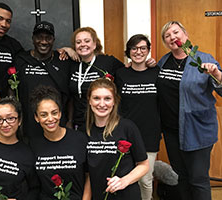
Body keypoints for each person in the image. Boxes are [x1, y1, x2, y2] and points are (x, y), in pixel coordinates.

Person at [157, 21, 222, 200]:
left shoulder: (204, 59)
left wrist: (216, 74)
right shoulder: (164, 62)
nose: (173, 37)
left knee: (198, 179)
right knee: (182, 178)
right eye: (167, 36)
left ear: (185, 34)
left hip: (198, 130)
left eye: (176, 32)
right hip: (172, 131)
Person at [68, 27, 156, 132]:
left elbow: (128, 69)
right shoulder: (71, 64)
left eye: (87, 41)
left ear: (95, 44)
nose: (82, 44)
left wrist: (146, 63)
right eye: (78, 42)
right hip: (79, 122)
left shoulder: (108, 62)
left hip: (104, 122)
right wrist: (66, 49)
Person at [86, 78, 149, 200]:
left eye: (107, 98)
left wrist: (124, 181)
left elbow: (144, 165)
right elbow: (87, 174)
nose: (102, 104)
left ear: (114, 101)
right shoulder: (84, 131)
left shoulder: (127, 127)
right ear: (89, 100)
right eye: (96, 98)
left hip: (126, 195)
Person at [115, 34, 161, 200]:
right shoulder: (121, 74)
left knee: (145, 180)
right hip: (126, 133)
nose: (138, 52)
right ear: (128, 51)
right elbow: (117, 105)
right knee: (126, 177)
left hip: (150, 133)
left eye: (143, 48)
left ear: (148, 50)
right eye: (134, 48)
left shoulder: (157, 72)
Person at [14, 21, 72, 146]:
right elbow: (12, 91)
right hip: (29, 125)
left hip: (56, 123)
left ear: (54, 39)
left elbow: (70, 93)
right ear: (33, 39)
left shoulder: (63, 61)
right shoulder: (21, 60)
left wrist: (70, 121)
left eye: (48, 38)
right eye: (40, 37)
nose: (44, 42)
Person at [29, 85, 90, 199]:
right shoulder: (33, 145)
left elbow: (89, 175)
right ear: (36, 118)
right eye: (44, 115)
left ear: (60, 113)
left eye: (54, 112)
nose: (50, 119)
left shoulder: (80, 139)